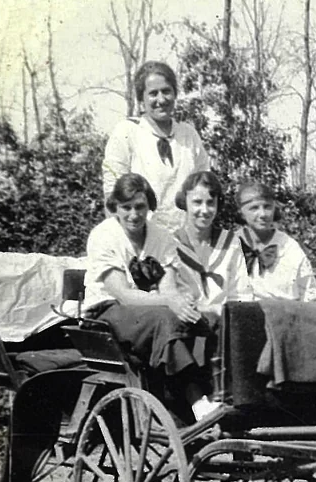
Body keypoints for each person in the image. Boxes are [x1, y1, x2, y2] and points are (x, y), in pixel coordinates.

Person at [82, 173, 219, 422]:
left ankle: (217, 391)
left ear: (149, 207)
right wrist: (170, 301)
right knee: (164, 320)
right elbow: (123, 294)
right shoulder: (103, 235)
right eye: (126, 207)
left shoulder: (161, 237)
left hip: (149, 309)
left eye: (140, 207)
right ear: (115, 208)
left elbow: (168, 289)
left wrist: (183, 303)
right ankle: (196, 401)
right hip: (105, 313)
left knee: (209, 319)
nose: (134, 215)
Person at [103, 61, 210, 233]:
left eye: (166, 91)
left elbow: (205, 188)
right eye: (153, 93)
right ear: (141, 99)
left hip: (186, 240)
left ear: (175, 93)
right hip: (141, 239)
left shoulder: (188, 135)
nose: (161, 100)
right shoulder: (127, 132)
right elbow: (112, 194)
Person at [171, 171, 247, 317]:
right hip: (185, 325)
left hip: (225, 323)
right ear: (184, 201)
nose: (204, 210)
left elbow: (241, 294)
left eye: (211, 203)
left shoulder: (231, 243)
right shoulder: (171, 245)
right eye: (197, 202)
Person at [233, 181, 316, 302]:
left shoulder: (289, 248)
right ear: (241, 213)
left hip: (285, 317)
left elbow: (310, 296)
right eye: (254, 208)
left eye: (267, 207)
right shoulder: (229, 246)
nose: (263, 214)